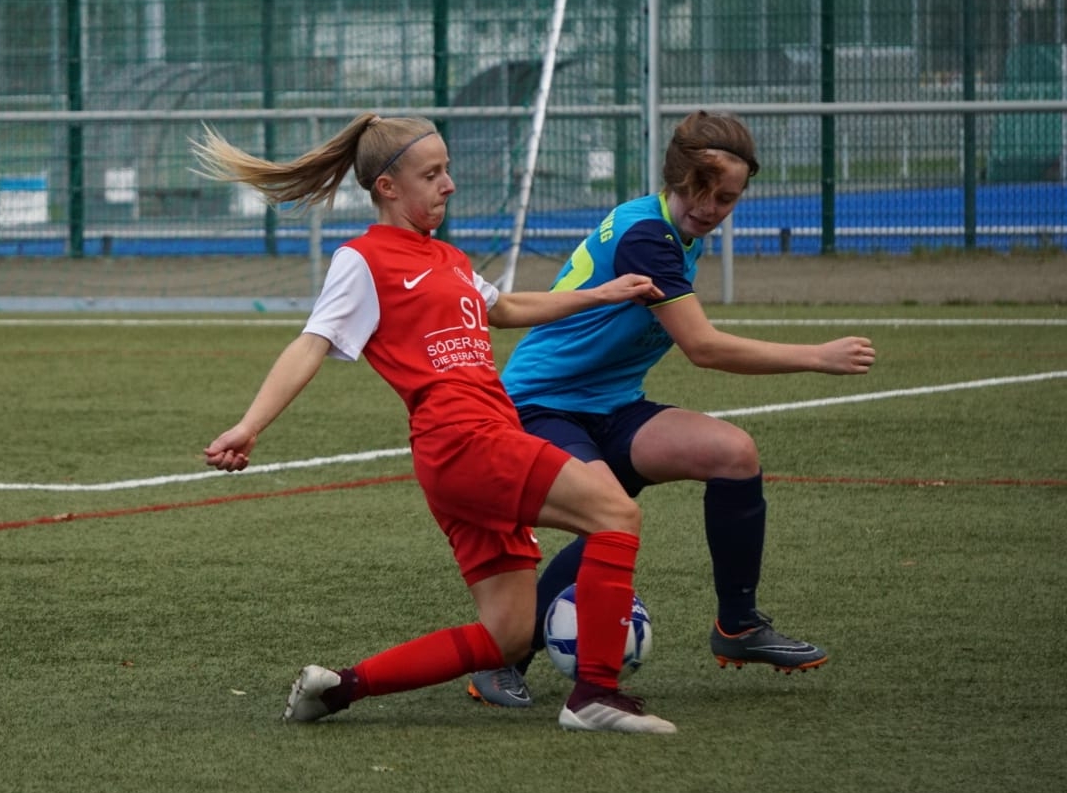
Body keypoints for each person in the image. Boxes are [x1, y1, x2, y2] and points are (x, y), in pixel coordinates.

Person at [197, 112, 678, 735]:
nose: (448, 184)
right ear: (387, 187)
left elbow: (506, 306)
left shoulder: (448, 257)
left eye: (447, 170)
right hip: (464, 440)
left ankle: (339, 688)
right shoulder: (362, 259)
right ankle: (595, 694)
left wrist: (603, 293)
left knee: (508, 634)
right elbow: (312, 341)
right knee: (616, 514)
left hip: (474, 448)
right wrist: (249, 425)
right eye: (432, 174)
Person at [465, 110, 876, 710]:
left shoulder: (672, 231)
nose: (709, 208)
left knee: (733, 453)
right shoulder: (647, 236)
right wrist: (816, 356)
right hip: (539, 408)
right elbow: (702, 348)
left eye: (726, 198)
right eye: (698, 191)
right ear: (675, 178)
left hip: (611, 408)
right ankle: (503, 657)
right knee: (609, 518)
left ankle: (738, 625)